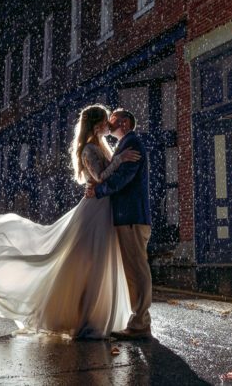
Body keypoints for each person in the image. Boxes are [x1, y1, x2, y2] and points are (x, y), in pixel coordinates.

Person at [0, 104, 140, 339]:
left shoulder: (101, 146)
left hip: (103, 207)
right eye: (106, 121)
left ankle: (96, 316)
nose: (109, 125)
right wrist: (121, 159)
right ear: (97, 125)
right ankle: (86, 319)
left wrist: (118, 158)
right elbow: (100, 177)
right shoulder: (88, 149)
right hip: (95, 210)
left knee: (99, 261)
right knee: (89, 261)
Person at [86, 108, 152, 340]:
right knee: (133, 270)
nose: (108, 123)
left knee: (137, 269)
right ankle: (138, 321)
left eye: (112, 119)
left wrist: (98, 190)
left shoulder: (131, 143)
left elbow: (122, 179)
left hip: (132, 217)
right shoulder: (125, 145)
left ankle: (140, 324)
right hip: (128, 216)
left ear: (123, 123)